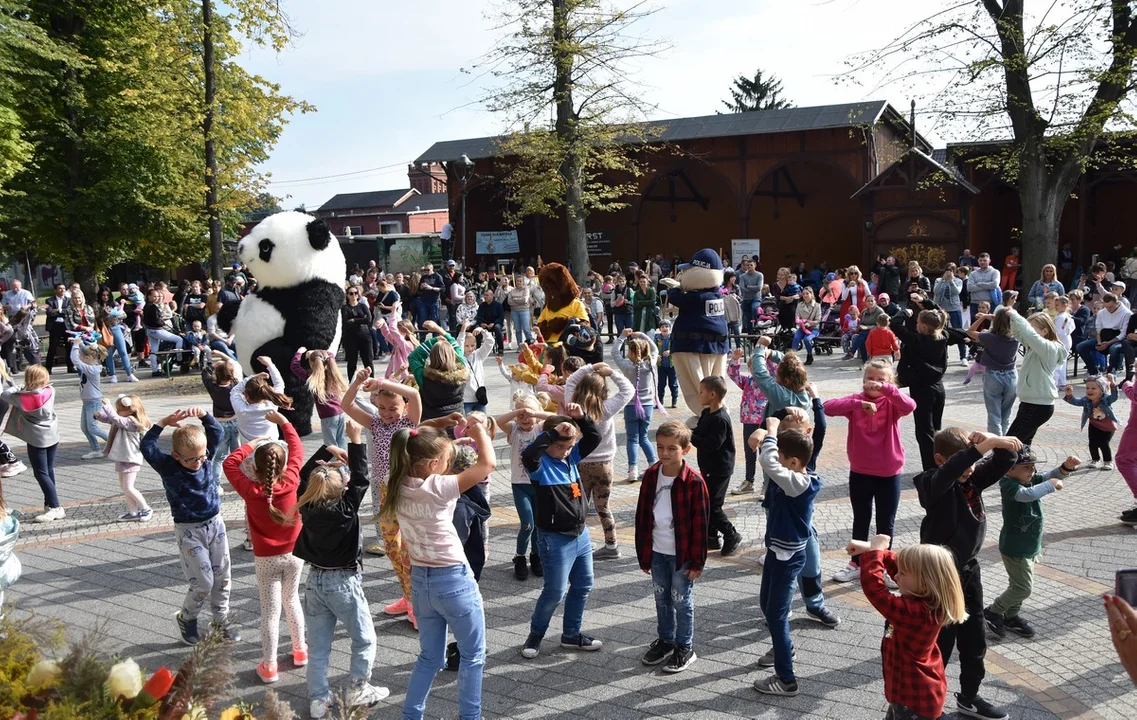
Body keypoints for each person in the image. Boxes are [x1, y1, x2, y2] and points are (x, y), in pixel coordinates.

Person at [385, 416, 495, 720]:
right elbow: (487, 465)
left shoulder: (394, 484)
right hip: (454, 580)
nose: (449, 464)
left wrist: (445, 436)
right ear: (433, 465)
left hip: (420, 582)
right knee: (473, 655)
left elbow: (409, 440)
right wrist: (480, 431)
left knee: (429, 658)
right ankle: (470, 717)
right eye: (446, 460)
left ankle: (411, 715)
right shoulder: (438, 487)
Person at [914, 428, 1021, 720]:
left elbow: (1007, 456)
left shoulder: (972, 478)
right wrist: (977, 450)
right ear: (940, 459)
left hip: (968, 573)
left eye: (973, 463)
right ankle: (921, 704)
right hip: (938, 575)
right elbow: (951, 471)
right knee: (940, 644)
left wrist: (990, 438)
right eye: (965, 462)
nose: (970, 469)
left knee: (974, 639)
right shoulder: (932, 484)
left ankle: (969, 697)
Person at [290, 420, 389, 716]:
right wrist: (355, 440)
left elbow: (302, 475)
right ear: (341, 490)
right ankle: (359, 687)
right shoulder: (346, 510)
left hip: (314, 580)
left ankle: (318, 700)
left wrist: (327, 449)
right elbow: (362, 478)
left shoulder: (306, 505)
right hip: (343, 583)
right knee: (364, 638)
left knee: (319, 646)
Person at [223, 412, 307, 684]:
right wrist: (283, 423)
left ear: (255, 469)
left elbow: (229, 463)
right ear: (283, 466)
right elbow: (296, 449)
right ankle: (300, 651)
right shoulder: (292, 479)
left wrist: (253, 442)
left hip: (265, 559)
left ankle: (270, 666)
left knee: (270, 612)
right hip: (295, 554)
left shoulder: (250, 490)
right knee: (292, 601)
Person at [845, 536, 968, 720]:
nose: (895, 576)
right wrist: (871, 549)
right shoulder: (927, 599)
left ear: (925, 583)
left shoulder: (917, 614)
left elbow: (875, 591)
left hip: (914, 700)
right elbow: (902, 565)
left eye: (902, 574)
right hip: (911, 695)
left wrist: (875, 553)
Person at [141, 406, 235, 645]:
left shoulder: (205, 457)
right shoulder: (168, 466)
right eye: (191, 459)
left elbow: (216, 433)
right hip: (189, 531)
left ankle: (221, 621)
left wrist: (203, 414)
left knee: (222, 577)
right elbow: (147, 447)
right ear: (176, 455)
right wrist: (162, 421)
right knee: (203, 582)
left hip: (215, 524)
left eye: (202, 457)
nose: (198, 462)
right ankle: (187, 617)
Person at [519, 407, 603, 659]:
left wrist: (581, 418)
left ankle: (571, 635)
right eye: (560, 447)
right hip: (554, 539)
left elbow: (594, 438)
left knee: (583, 584)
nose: (565, 452)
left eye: (569, 447)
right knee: (555, 591)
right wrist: (554, 431)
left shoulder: (571, 458)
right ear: (547, 443)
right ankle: (535, 635)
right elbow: (528, 453)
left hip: (581, 536)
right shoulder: (540, 464)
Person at [825, 360, 916, 585]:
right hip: (860, 470)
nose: (874, 383)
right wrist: (858, 404)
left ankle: (885, 565)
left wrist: (886, 389)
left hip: (889, 471)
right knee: (861, 519)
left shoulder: (893, 402)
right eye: (869, 379)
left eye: (880, 379)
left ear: (890, 382)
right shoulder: (856, 402)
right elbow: (827, 407)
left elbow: (910, 405)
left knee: (886, 522)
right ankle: (856, 563)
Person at [342, 370, 421, 621]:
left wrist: (383, 383)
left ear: (404, 406)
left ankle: (417, 603)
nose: (387, 413)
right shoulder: (375, 422)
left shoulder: (409, 423)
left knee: (408, 549)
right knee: (390, 545)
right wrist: (356, 383)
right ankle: (408, 595)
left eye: (393, 408)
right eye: (383, 407)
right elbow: (346, 405)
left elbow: (415, 394)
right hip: (384, 490)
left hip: (407, 490)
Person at [749, 418, 820, 697]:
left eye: (780, 456)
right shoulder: (792, 473)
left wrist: (770, 431)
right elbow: (772, 461)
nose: (775, 460)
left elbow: (769, 464)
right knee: (767, 605)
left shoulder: (799, 483)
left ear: (792, 462)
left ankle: (786, 679)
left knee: (777, 615)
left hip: (788, 557)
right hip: (777, 552)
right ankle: (784, 645)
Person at [634, 420, 709, 674]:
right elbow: (642, 516)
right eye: (660, 447)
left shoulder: (694, 482)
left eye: (672, 448)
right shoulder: (652, 475)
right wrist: (643, 554)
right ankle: (665, 640)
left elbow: (701, 524)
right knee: (661, 598)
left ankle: (684, 646)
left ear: (685, 450)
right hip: (656, 551)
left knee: (681, 600)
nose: (665, 453)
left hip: (683, 555)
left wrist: (697, 561)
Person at [984, 447, 1075, 641]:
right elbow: (1028, 495)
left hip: (1030, 546)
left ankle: (1011, 616)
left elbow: (1050, 476)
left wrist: (1065, 468)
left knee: (1017, 585)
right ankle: (993, 611)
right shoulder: (1009, 485)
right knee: (1023, 588)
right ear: (1010, 469)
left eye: (1033, 466)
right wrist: (1050, 485)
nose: (1032, 470)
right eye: (1026, 467)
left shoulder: (1028, 478)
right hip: (1015, 548)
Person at [562, 361, 634, 560]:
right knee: (603, 506)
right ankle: (612, 545)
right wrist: (611, 373)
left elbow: (570, 382)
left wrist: (589, 367)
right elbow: (628, 390)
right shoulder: (606, 408)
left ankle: (578, 542)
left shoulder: (572, 406)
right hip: (604, 466)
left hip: (578, 466)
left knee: (578, 503)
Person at [497, 393, 551, 580]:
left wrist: (535, 412)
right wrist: (517, 411)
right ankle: (520, 557)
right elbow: (499, 422)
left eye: (529, 415)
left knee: (538, 524)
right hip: (519, 484)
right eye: (521, 415)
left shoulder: (540, 428)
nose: (525, 419)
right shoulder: (513, 430)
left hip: (538, 484)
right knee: (527, 524)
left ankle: (535, 556)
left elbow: (556, 419)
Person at [893, 296, 950, 470]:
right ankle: (940, 464)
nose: (916, 324)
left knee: (925, 433)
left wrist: (905, 312)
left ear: (923, 326)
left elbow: (895, 325)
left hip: (922, 390)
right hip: (939, 388)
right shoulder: (943, 336)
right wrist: (926, 302)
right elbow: (941, 317)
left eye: (918, 322)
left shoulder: (916, 340)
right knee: (937, 430)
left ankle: (931, 469)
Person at [1001, 300, 1067, 445]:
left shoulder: (1050, 348)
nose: (1028, 331)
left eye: (1032, 328)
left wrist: (1017, 316)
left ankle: (999, 465)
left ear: (1045, 331)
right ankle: (1025, 467)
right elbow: (1019, 334)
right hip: (1030, 402)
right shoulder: (1036, 346)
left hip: (1038, 405)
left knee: (1008, 445)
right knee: (1023, 445)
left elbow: (1031, 336)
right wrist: (1012, 318)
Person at [2, 365, 63, 522]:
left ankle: (56, 507)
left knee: (40, 472)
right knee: (48, 470)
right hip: (52, 435)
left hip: (36, 439)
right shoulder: (50, 391)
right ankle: (49, 503)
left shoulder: (21, 398)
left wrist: (20, 387)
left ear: (28, 379)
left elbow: (4, 394)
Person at [691, 376, 740, 556]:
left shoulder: (720, 419)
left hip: (719, 469)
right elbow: (699, 431)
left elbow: (712, 444)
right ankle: (711, 537)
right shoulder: (706, 413)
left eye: (701, 391)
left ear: (712, 394)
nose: (699, 394)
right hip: (708, 467)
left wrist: (691, 437)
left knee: (713, 506)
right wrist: (690, 432)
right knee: (707, 502)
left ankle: (731, 534)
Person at [94, 394, 153, 522]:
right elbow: (112, 419)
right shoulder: (122, 419)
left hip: (130, 458)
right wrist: (99, 417)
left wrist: (107, 405)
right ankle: (133, 512)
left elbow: (115, 419)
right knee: (124, 487)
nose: (117, 412)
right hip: (123, 457)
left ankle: (146, 508)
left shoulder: (132, 422)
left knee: (128, 487)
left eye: (119, 409)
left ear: (130, 410)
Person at [614, 330, 661, 483]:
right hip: (647, 406)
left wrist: (622, 336)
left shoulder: (627, 366)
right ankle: (653, 463)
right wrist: (642, 335)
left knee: (632, 439)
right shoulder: (651, 364)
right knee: (644, 437)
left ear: (633, 352)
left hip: (631, 406)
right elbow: (655, 349)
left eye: (629, 349)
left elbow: (615, 353)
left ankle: (632, 470)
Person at [967, 307, 1020, 435]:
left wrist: (984, 317)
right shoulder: (1017, 337)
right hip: (1011, 375)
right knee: (1006, 414)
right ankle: (1005, 446)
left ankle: (997, 447)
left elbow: (970, 331)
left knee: (994, 415)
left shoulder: (989, 337)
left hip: (993, 375)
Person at [727, 348, 769, 496]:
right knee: (749, 453)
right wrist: (735, 359)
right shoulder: (747, 381)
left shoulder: (769, 383)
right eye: (752, 367)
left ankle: (767, 483)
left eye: (757, 367)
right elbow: (733, 374)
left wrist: (767, 353)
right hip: (748, 421)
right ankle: (749, 481)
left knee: (766, 453)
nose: (754, 370)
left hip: (764, 423)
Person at [409, 321, 468, 421]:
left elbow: (413, 357)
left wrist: (433, 341)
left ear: (431, 356)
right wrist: (439, 330)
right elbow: (456, 346)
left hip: (432, 422)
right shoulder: (462, 371)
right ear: (453, 355)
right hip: (457, 419)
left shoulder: (424, 377)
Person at [292, 348, 348, 449]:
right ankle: (344, 464)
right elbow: (330, 354)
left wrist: (299, 352)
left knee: (331, 445)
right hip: (340, 412)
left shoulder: (312, 377)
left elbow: (294, 366)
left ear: (312, 364)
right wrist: (315, 351)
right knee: (341, 440)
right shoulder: (333, 373)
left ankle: (334, 464)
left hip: (328, 416)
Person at [1064, 375, 1119, 469]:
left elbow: (1114, 397)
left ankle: (1108, 461)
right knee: (1092, 443)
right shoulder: (1086, 400)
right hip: (1094, 424)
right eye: (1087, 388)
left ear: (1101, 390)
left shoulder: (1106, 399)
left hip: (1107, 426)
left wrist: (1112, 384)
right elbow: (1076, 402)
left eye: (1093, 388)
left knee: (1104, 443)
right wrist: (1069, 395)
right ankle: (1095, 460)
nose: (1090, 390)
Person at [69, 337, 109, 460]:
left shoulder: (92, 369)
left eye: (81, 355)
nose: (79, 356)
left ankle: (115, 441)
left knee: (92, 427)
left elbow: (75, 360)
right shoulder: (91, 363)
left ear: (88, 358)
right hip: (87, 402)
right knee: (85, 428)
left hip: (93, 402)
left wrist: (76, 345)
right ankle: (96, 449)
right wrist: (78, 342)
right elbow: (84, 353)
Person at [341, 286, 374, 381]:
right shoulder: (345, 308)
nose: (354, 295)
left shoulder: (362, 306)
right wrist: (361, 320)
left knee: (368, 361)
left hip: (364, 335)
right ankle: (351, 382)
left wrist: (354, 320)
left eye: (355, 293)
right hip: (351, 337)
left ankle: (372, 381)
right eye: (351, 293)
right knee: (352, 362)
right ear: (347, 295)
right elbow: (345, 322)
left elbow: (368, 319)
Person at [458, 326, 494, 414]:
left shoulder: (478, 355)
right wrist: (462, 331)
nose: (470, 348)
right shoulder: (459, 357)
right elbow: (458, 345)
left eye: (472, 345)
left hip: (479, 397)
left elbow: (490, 342)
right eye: (466, 346)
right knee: (467, 424)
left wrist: (482, 331)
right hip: (465, 399)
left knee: (482, 422)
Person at [41, 284, 72, 374]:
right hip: (55, 326)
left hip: (66, 325)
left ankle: (70, 366)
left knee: (69, 346)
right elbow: (50, 313)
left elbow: (68, 312)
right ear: (55, 290)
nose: (62, 290)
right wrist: (61, 311)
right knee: (52, 347)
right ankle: (48, 368)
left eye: (63, 288)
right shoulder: (49, 300)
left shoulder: (69, 300)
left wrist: (58, 310)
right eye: (60, 288)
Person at [791, 287, 821, 365]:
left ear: (811, 294)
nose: (805, 295)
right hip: (802, 327)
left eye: (807, 293)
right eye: (803, 294)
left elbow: (818, 320)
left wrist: (809, 323)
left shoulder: (817, 306)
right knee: (796, 338)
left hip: (813, 328)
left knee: (807, 339)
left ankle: (809, 355)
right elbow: (797, 316)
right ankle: (793, 358)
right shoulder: (799, 305)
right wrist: (798, 321)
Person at [968, 253, 1001, 318]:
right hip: (975, 304)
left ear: (989, 261)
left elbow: (995, 284)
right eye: (980, 260)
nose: (982, 262)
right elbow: (969, 288)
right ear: (978, 261)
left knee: (990, 326)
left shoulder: (995, 272)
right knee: (975, 326)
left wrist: (979, 284)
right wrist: (988, 285)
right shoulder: (973, 274)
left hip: (990, 304)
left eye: (985, 260)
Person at [655, 320, 679, 407]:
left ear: (670, 328)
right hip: (661, 366)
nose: (664, 328)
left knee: (673, 384)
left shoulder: (673, 337)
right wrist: (656, 355)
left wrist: (670, 351)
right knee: (661, 384)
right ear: (660, 329)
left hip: (672, 365)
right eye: (662, 327)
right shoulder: (657, 338)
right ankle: (660, 402)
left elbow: (678, 347)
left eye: (666, 326)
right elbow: (652, 349)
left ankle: (674, 401)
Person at [474, 289, 505, 356]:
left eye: (487, 295)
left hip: (495, 323)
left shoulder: (498, 305)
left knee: (497, 328)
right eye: (484, 295)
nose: (485, 297)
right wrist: (481, 323)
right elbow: (479, 316)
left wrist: (494, 323)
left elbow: (501, 317)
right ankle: (478, 349)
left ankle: (500, 349)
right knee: (477, 328)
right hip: (484, 324)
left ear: (492, 296)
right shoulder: (482, 305)